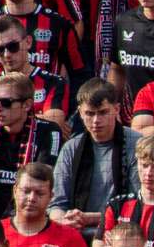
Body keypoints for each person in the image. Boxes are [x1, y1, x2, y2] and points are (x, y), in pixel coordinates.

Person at [0, 71, 60, 219]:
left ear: (27, 104)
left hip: (26, 218)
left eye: (6, 102)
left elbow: (41, 183)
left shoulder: (49, 131)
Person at [51, 82, 139, 232]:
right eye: (90, 114)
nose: (96, 121)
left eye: (103, 112)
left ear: (116, 109)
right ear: (80, 113)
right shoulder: (71, 148)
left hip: (122, 232)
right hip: (75, 232)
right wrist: (63, 220)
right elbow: (56, 204)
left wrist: (91, 218)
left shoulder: (137, 144)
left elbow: (141, 203)